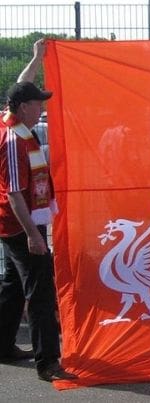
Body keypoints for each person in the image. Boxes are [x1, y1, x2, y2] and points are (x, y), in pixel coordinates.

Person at [0, 39, 76, 381]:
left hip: (13, 224)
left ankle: (3, 345)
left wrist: (35, 59)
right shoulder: (15, 139)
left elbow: (18, 84)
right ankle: (49, 363)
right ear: (23, 107)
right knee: (41, 292)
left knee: (13, 285)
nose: (41, 108)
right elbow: (15, 193)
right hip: (21, 225)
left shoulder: (10, 121)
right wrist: (33, 235)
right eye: (37, 103)